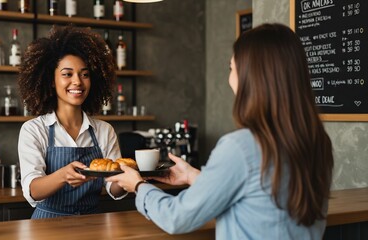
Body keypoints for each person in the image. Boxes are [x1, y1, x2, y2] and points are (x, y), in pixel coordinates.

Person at [106, 23, 334, 239]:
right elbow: (260, 196)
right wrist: (193, 177)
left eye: (231, 68)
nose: (230, 79)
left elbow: (176, 217)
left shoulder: (241, 146)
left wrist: (138, 185)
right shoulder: (317, 141)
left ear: (251, 78)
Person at [18, 25, 127, 218]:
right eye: (67, 74)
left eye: (84, 74)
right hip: (47, 227)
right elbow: (32, 190)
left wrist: (131, 177)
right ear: (52, 80)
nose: (77, 81)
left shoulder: (104, 130)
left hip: (92, 224)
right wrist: (62, 175)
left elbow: (113, 188)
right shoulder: (34, 130)